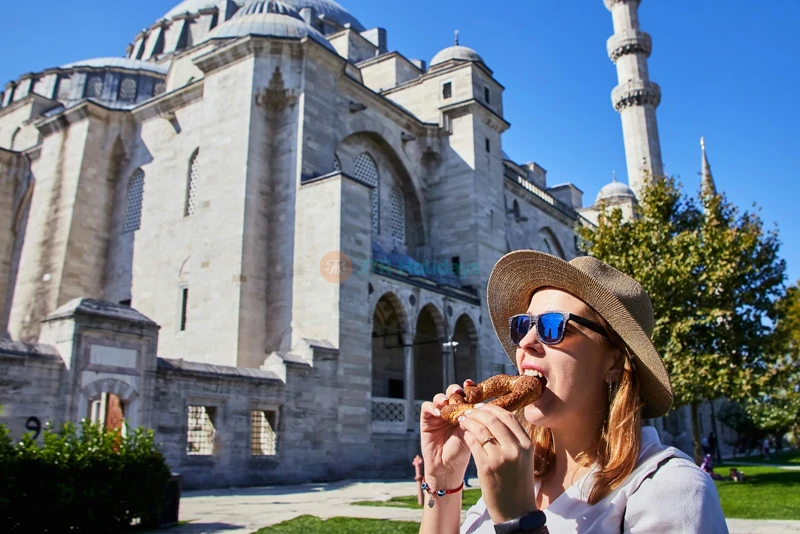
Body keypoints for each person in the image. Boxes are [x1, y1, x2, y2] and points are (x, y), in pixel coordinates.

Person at [418, 252, 727, 533]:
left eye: (553, 326)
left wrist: (518, 519)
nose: (525, 342)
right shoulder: (521, 477)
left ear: (614, 363)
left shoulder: (671, 489)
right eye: (522, 325)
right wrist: (444, 480)